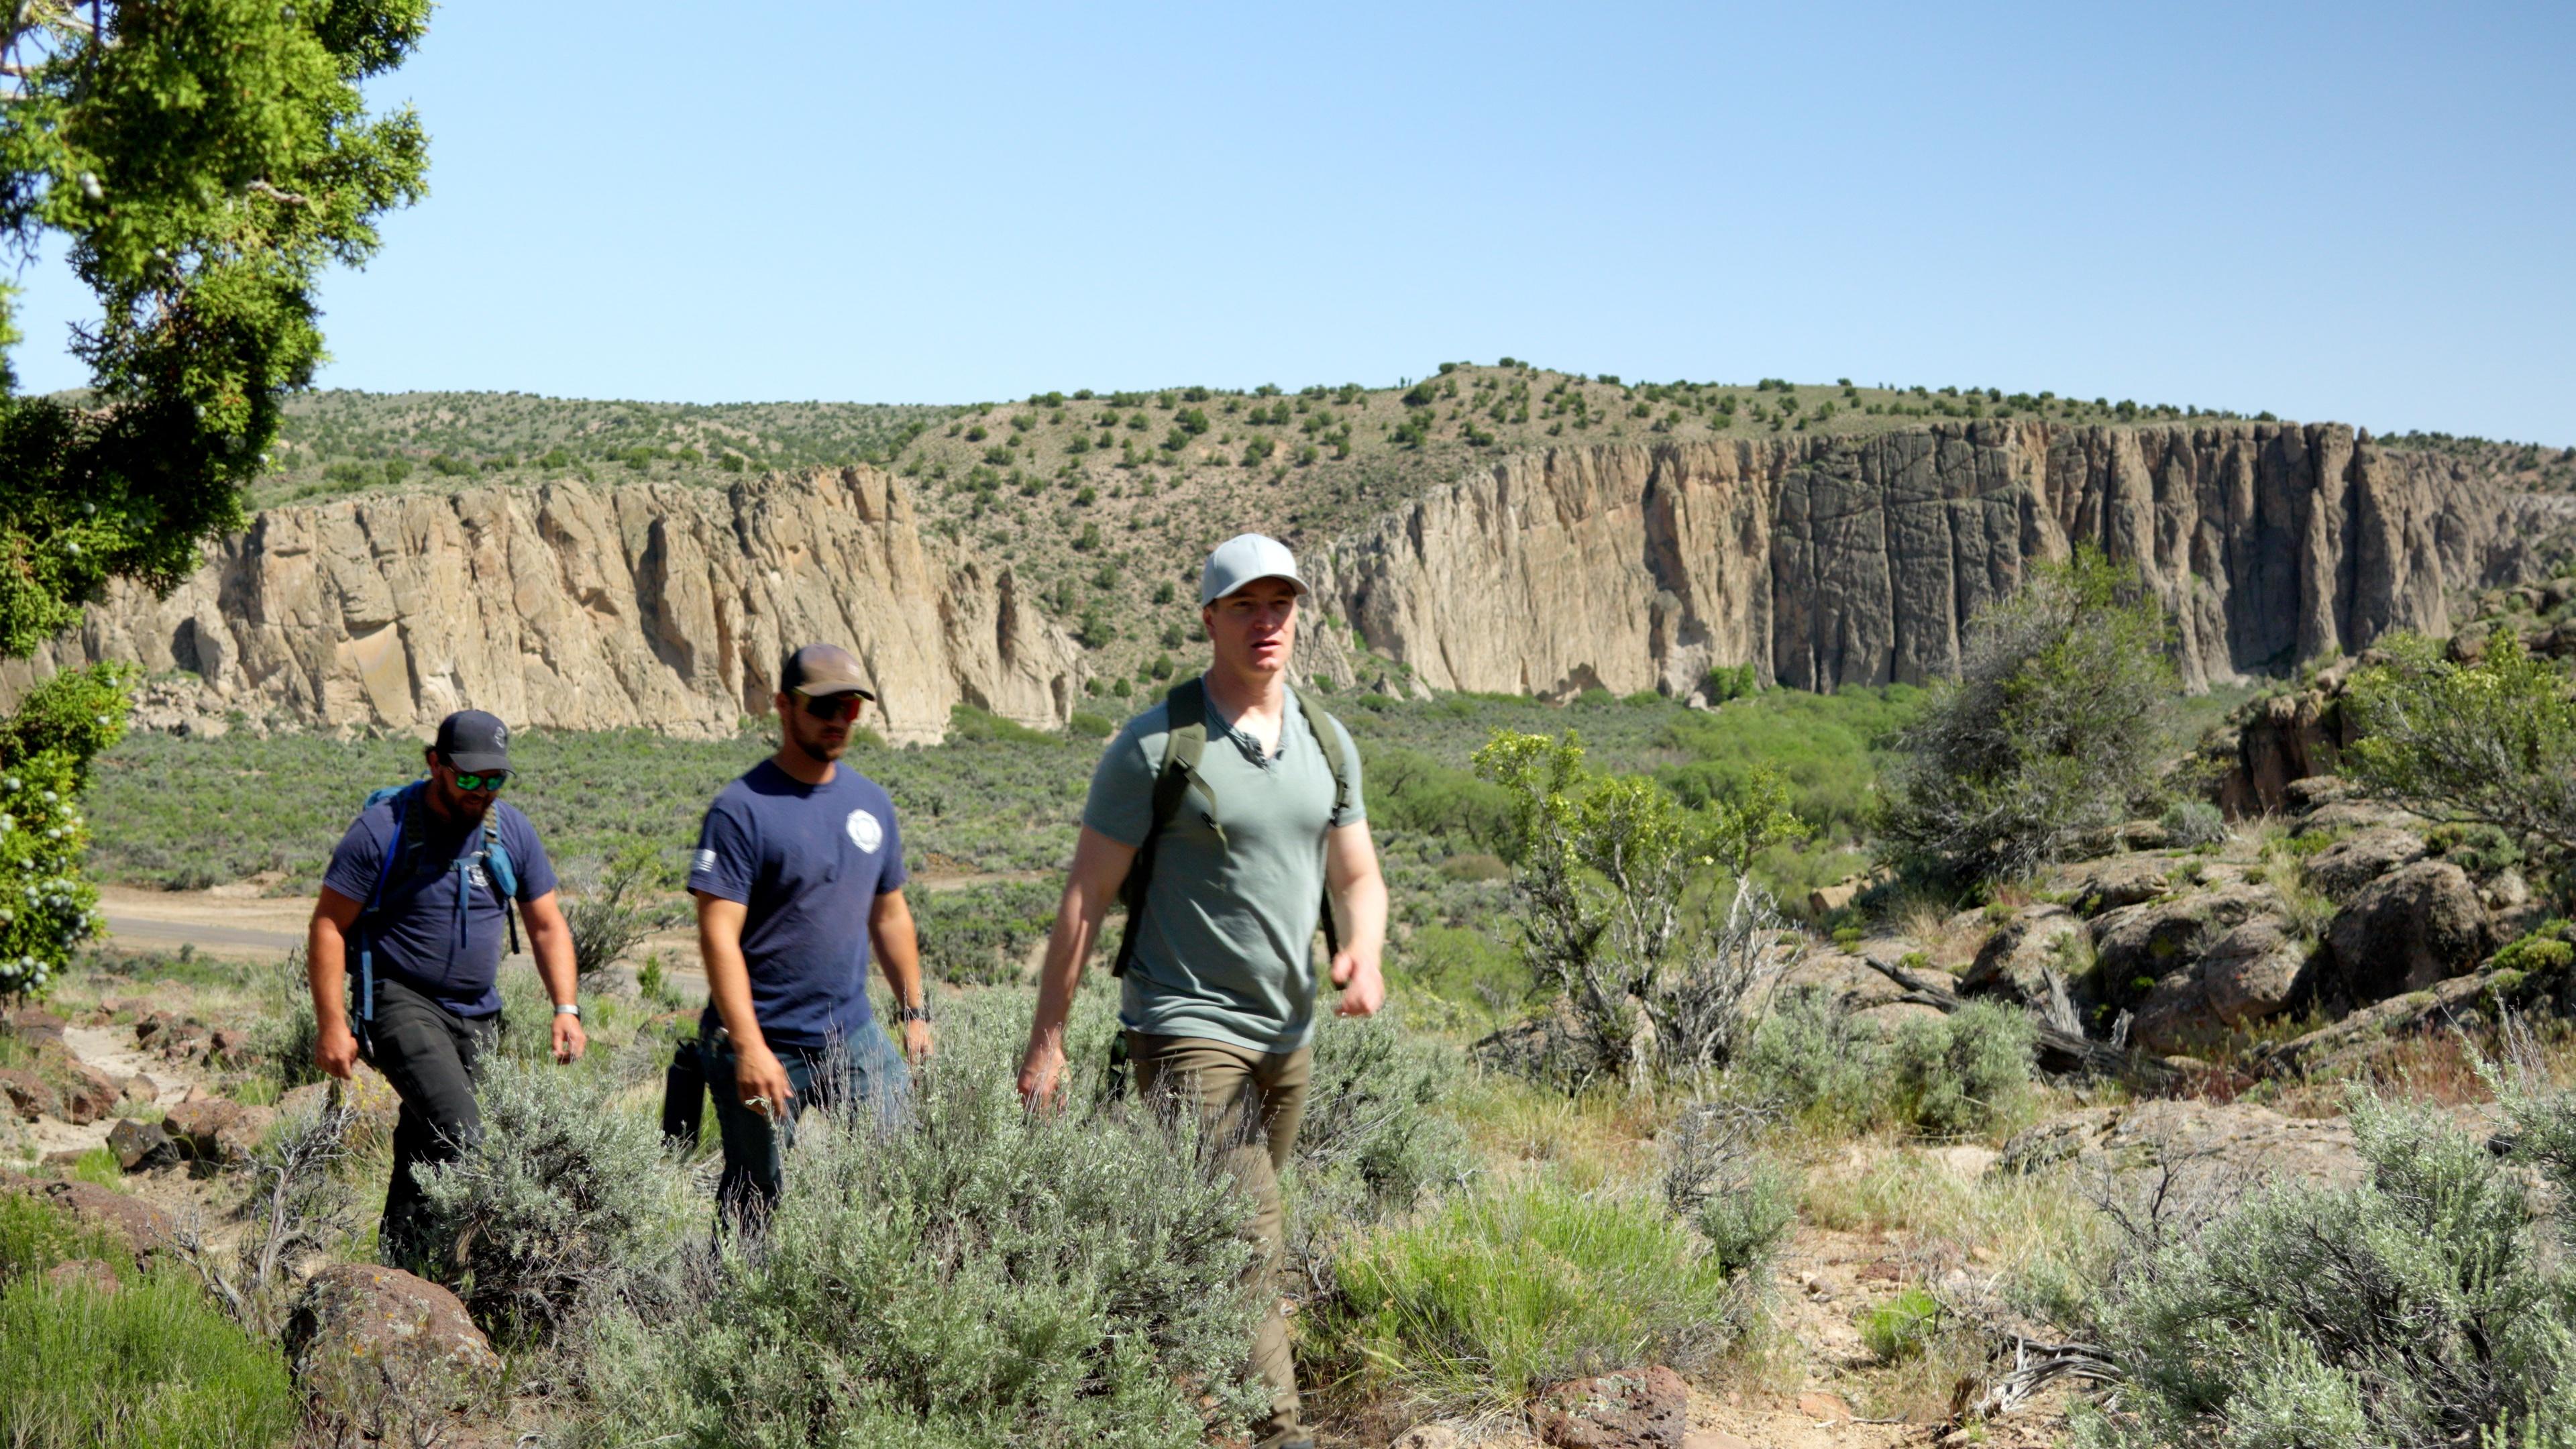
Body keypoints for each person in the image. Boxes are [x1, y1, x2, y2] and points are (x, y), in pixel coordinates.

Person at [1016, 533, 1389, 1449]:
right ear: (1210, 619)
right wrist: (1049, 1039)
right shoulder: (1155, 747)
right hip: (1183, 1023)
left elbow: (1358, 878)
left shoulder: (1326, 741)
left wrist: (1365, 956)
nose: (1267, 624)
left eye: (1281, 605)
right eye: (1246, 607)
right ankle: (1277, 1433)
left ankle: (1186, 1399)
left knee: (1220, 1242)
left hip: (1286, 1031)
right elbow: (1084, 898)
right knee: (1251, 1233)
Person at [307, 709, 584, 1263]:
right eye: (469, 777)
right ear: (436, 764)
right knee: (466, 1132)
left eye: (495, 779)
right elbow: (328, 924)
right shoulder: (382, 830)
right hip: (399, 1003)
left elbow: (548, 924)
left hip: (480, 1015)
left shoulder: (510, 831)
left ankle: (403, 1270)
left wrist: (566, 1007)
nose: (482, 791)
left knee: (427, 1141)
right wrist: (332, 1024)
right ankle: (454, 1265)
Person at [688, 643, 932, 1225]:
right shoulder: (741, 809)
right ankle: (732, 1305)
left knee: (909, 1169)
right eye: (822, 705)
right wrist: (748, 1047)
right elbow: (717, 933)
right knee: (756, 1195)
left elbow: (891, 914)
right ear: (782, 705)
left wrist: (915, 1013)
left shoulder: (871, 804)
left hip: (851, 1034)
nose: (837, 719)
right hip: (761, 1038)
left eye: (850, 707)